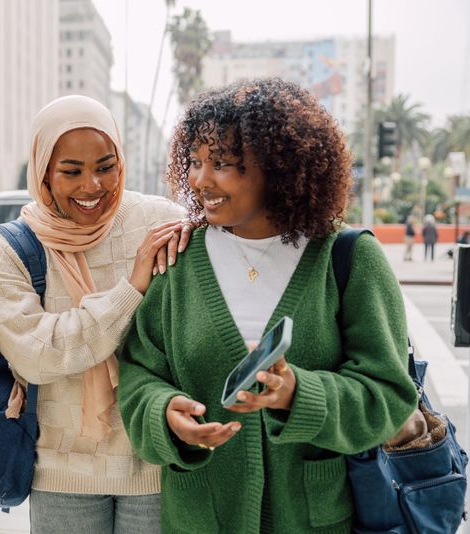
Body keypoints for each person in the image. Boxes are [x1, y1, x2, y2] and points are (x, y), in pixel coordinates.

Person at [117, 78, 419, 533]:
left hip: (313, 519)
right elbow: (139, 374)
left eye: (222, 163)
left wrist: (300, 394)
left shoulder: (349, 258)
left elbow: (389, 396)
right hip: (200, 518)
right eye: (195, 162)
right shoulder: (177, 258)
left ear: (279, 167)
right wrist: (164, 414)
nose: (200, 180)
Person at [0, 95, 190, 533]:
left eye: (106, 166)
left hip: (153, 461)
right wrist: (131, 289)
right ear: (43, 171)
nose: (92, 186)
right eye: (71, 172)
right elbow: (36, 355)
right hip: (63, 472)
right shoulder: (14, 247)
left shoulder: (162, 221)